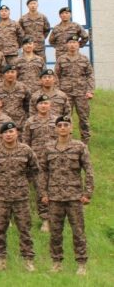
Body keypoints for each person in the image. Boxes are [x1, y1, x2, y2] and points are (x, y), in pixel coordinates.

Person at [41, 115, 94, 276]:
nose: (63, 128)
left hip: (74, 197)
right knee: (55, 233)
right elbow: (43, 172)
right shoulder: (49, 148)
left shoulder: (79, 147)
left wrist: (88, 193)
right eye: (60, 125)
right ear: (55, 129)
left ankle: (81, 264)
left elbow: (89, 170)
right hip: (55, 197)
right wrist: (43, 193)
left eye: (66, 125)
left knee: (78, 232)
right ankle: (56, 263)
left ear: (71, 128)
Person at [0, 122, 41, 272]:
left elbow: (35, 170)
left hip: (21, 198)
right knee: (0, 230)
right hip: (1, 197)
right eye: (5, 132)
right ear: (1, 135)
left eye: (11, 132)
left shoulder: (26, 150)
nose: (8, 135)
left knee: (25, 229)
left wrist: (25, 182)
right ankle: (0, 260)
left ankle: (28, 260)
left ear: (17, 133)